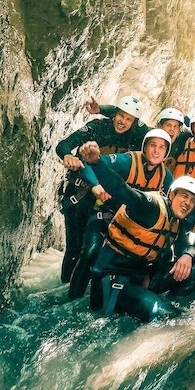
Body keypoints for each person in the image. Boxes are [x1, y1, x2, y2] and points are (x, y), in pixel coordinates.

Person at [67, 129, 174, 300]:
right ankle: (73, 299)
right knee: (89, 252)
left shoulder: (166, 177)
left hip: (133, 228)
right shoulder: (127, 161)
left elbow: (172, 207)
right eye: (152, 145)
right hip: (107, 216)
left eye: (161, 147)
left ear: (166, 152)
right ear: (145, 147)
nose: (156, 150)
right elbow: (89, 163)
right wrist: (96, 185)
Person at [87, 170, 195, 321]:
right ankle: (158, 307)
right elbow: (121, 190)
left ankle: (164, 302)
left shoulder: (176, 222)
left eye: (193, 200)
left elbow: (188, 246)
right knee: (166, 315)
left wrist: (187, 254)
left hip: (140, 278)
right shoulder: (150, 207)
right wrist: (96, 163)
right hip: (113, 281)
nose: (188, 203)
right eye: (184, 196)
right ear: (171, 195)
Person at [55, 94, 149, 283]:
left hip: (109, 200)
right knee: (74, 247)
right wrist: (67, 155)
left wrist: (101, 109)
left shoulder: (137, 136)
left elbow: (159, 137)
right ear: (114, 114)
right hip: (81, 195)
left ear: (134, 122)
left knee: (97, 247)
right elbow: (63, 144)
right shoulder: (97, 128)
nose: (123, 121)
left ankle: (88, 288)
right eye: (120, 115)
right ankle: (65, 288)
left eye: (128, 119)